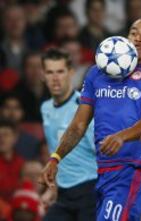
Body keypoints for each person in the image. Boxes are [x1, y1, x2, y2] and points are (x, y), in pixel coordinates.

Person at [40, 17, 141, 221]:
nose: (138, 39)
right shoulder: (96, 73)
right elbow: (78, 124)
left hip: (132, 168)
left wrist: (122, 137)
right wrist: (56, 158)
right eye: (133, 33)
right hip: (102, 172)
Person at [40, 48, 98, 221]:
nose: (55, 78)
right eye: (50, 72)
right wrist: (53, 188)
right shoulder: (46, 108)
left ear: (71, 72)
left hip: (90, 191)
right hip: (64, 194)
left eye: (60, 71)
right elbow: (55, 150)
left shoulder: (84, 109)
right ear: (43, 75)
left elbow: (103, 151)